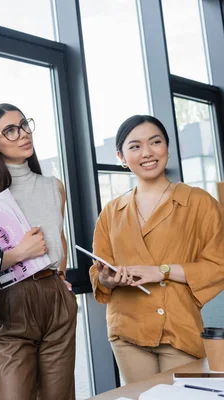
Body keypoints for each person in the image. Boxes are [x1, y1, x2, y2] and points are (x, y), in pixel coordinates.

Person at [0, 103, 76, 399]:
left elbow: (59, 240)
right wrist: (20, 253)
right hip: (8, 303)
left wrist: (59, 278)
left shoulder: (54, 186)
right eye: (10, 130)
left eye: (24, 124)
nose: (23, 134)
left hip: (55, 299)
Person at [89, 114, 224, 384]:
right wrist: (107, 278)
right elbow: (98, 270)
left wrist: (160, 271)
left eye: (155, 142)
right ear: (121, 157)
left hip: (178, 326)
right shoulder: (111, 212)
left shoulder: (199, 202)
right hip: (127, 328)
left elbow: (218, 265)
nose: (147, 152)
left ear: (167, 148)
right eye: (135, 146)